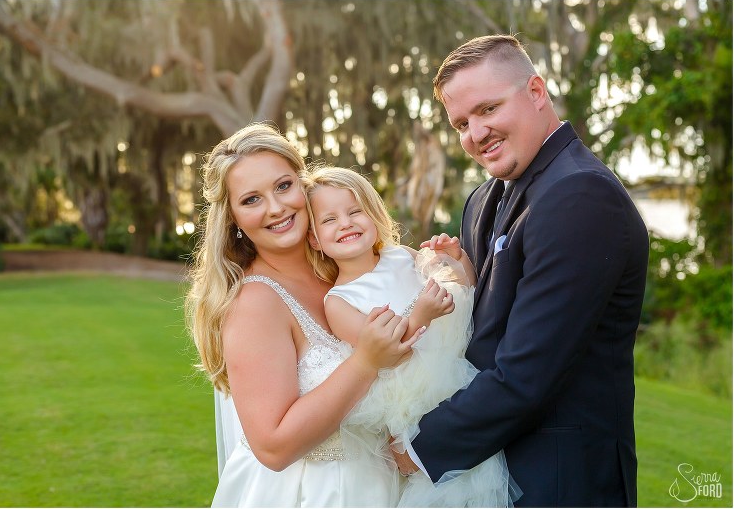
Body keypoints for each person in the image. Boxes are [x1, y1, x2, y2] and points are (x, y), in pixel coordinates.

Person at [392, 34, 649, 507]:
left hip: (559, 480)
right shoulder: (482, 199)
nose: (475, 133)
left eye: (488, 110)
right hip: (487, 475)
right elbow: (477, 338)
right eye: (461, 123)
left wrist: (417, 447)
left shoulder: (581, 196)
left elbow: (528, 373)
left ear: (536, 92)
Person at [185, 123, 422, 507]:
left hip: (386, 485)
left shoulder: (342, 269)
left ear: (303, 183)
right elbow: (274, 446)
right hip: (315, 493)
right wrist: (365, 363)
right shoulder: (256, 303)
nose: (276, 208)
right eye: (251, 200)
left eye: (283, 186)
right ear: (233, 219)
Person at [304, 165, 517, 507]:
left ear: (373, 216)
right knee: (442, 487)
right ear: (314, 239)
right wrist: (420, 314)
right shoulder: (338, 301)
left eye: (355, 211)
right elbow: (383, 353)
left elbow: (462, 294)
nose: (345, 223)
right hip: (411, 401)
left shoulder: (400, 255)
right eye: (329, 220)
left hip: (457, 376)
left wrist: (457, 262)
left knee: (479, 471)